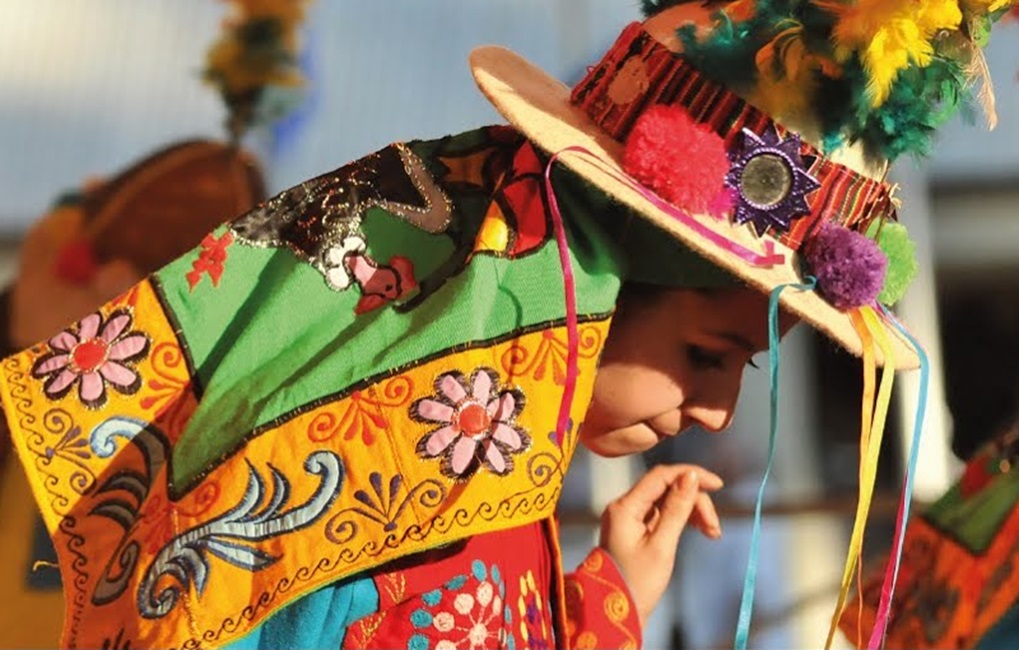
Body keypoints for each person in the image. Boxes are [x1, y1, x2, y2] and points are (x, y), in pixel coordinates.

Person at [0, 1, 1012, 648]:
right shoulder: (359, 542)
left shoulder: (440, 506)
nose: (713, 410)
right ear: (581, 290)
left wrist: (605, 596)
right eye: (707, 355)